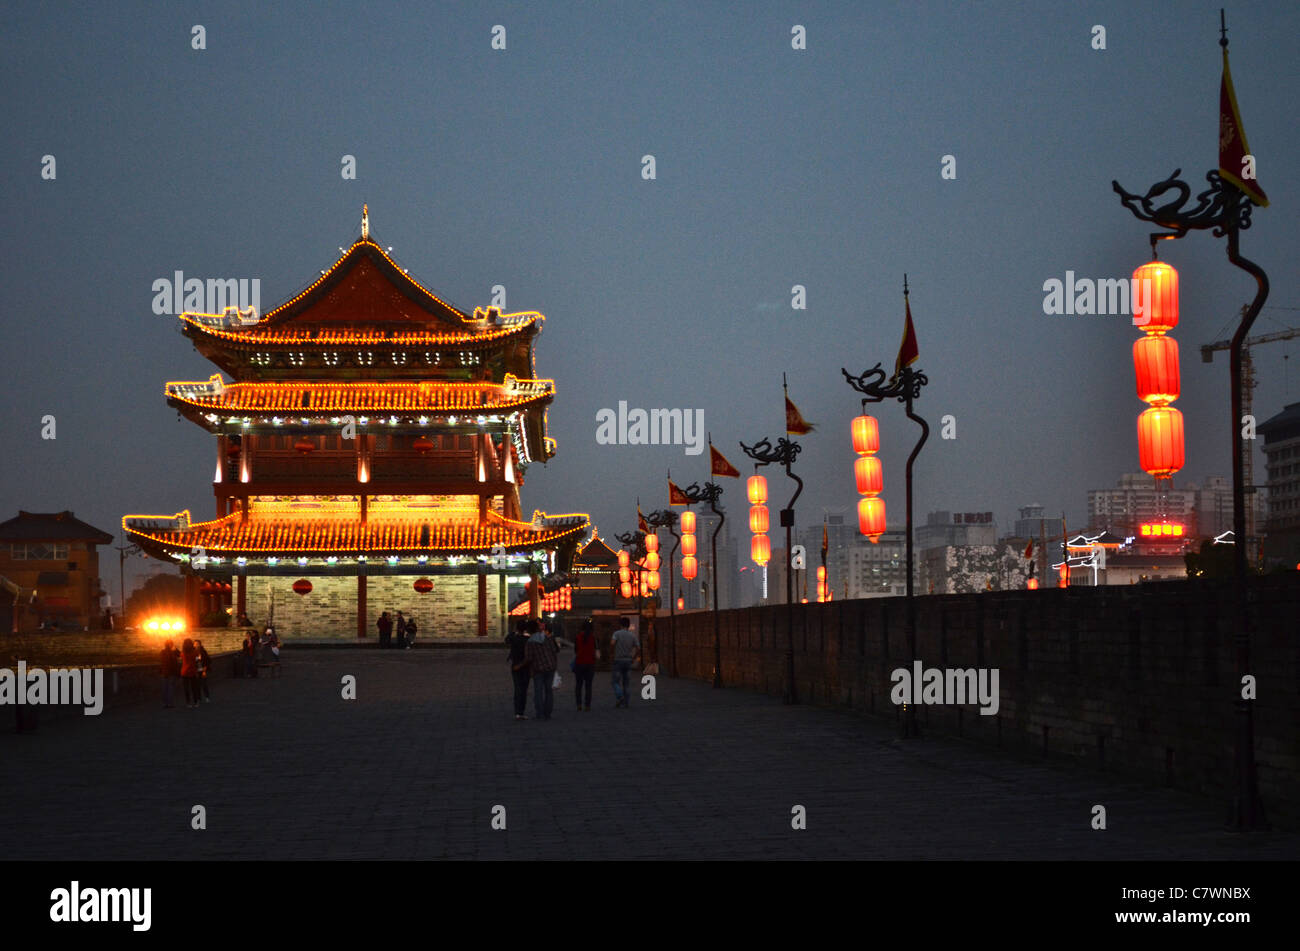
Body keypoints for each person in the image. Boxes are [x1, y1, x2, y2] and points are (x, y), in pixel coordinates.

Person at [524, 619, 557, 720]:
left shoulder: (530, 642)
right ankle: (548, 713)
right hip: (550, 666)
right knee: (549, 691)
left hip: (538, 668)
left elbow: (529, 658)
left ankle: (540, 713)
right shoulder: (547, 638)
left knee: (538, 691)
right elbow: (554, 650)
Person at [610, 616, 639, 708]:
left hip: (618, 660)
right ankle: (626, 702)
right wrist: (633, 658)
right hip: (628, 660)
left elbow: (612, 644)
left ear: (620, 624)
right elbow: (638, 648)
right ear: (628, 625)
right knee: (626, 683)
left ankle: (620, 696)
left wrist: (613, 653)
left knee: (615, 682)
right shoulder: (632, 635)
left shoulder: (616, 634)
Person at [505, 620, 531, 720]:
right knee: (524, 689)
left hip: (515, 665)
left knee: (517, 688)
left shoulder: (513, 638)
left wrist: (513, 631)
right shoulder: (528, 639)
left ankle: (517, 712)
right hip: (526, 665)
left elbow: (506, 639)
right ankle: (521, 711)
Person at [572, 618, 598, 711]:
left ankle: (579, 704)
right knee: (588, 686)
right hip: (590, 663)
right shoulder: (593, 637)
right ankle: (587, 705)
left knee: (578, 685)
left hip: (579, 663)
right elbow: (595, 650)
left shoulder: (578, 637)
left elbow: (575, 650)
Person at [180, 638, 200, 708]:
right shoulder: (195, 652)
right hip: (192, 671)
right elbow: (197, 660)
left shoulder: (183, 652)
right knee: (194, 688)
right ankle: (196, 702)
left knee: (186, 689)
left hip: (184, 672)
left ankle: (188, 703)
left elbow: (181, 658)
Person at [160, 639, 179, 708]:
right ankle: (170, 703)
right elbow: (179, 655)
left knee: (165, 688)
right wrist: (175, 649)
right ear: (171, 645)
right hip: (171, 673)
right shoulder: (173, 652)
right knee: (170, 688)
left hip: (164, 672)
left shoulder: (162, 652)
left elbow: (162, 662)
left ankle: (165, 703)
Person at [195, 638, 212, 703]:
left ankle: (207, 697)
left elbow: (208, 661)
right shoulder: (193, 652)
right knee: (197, 685)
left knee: (204, 685)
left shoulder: (203, 652)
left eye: (197, 644)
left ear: (200, 645)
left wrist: (205, 670)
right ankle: (199, 698)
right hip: (196, 671)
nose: (196, 645)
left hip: (202, 670)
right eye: (195, 644)